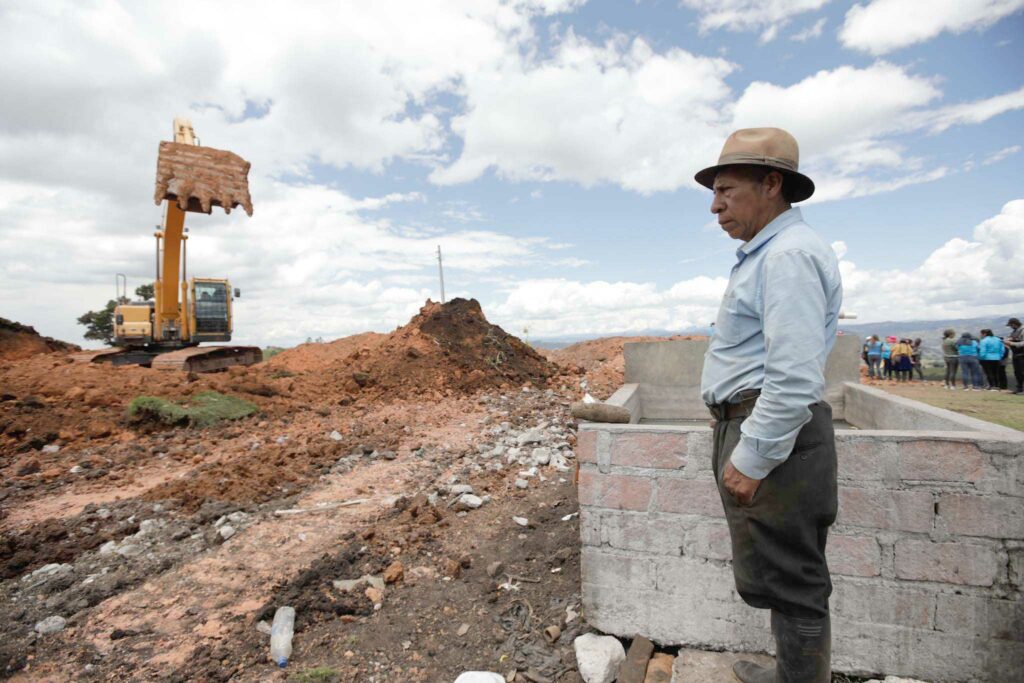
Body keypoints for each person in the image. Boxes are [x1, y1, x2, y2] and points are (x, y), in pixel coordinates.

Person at [697, 128, 840, 683]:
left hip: (774, 436)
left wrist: (752, 456)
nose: (715, 205)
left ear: (772, 184)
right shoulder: (769, 255)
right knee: (777, 573)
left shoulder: (788, 256)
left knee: (795, 583)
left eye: (727, 190)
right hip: (761, 427)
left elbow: (796, 376)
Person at [1007, 318, 1024, 395]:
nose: (1010, 327)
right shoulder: (1014, 331)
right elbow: (1013, 338)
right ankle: (1019, 388)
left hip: (1022, 354)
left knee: (1022, 372)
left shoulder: (1023, 330)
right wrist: (1009, 340)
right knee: (1017, 372)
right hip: (1016, 354)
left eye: (1011, 325)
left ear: (1014, 324)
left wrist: (1011, 343)